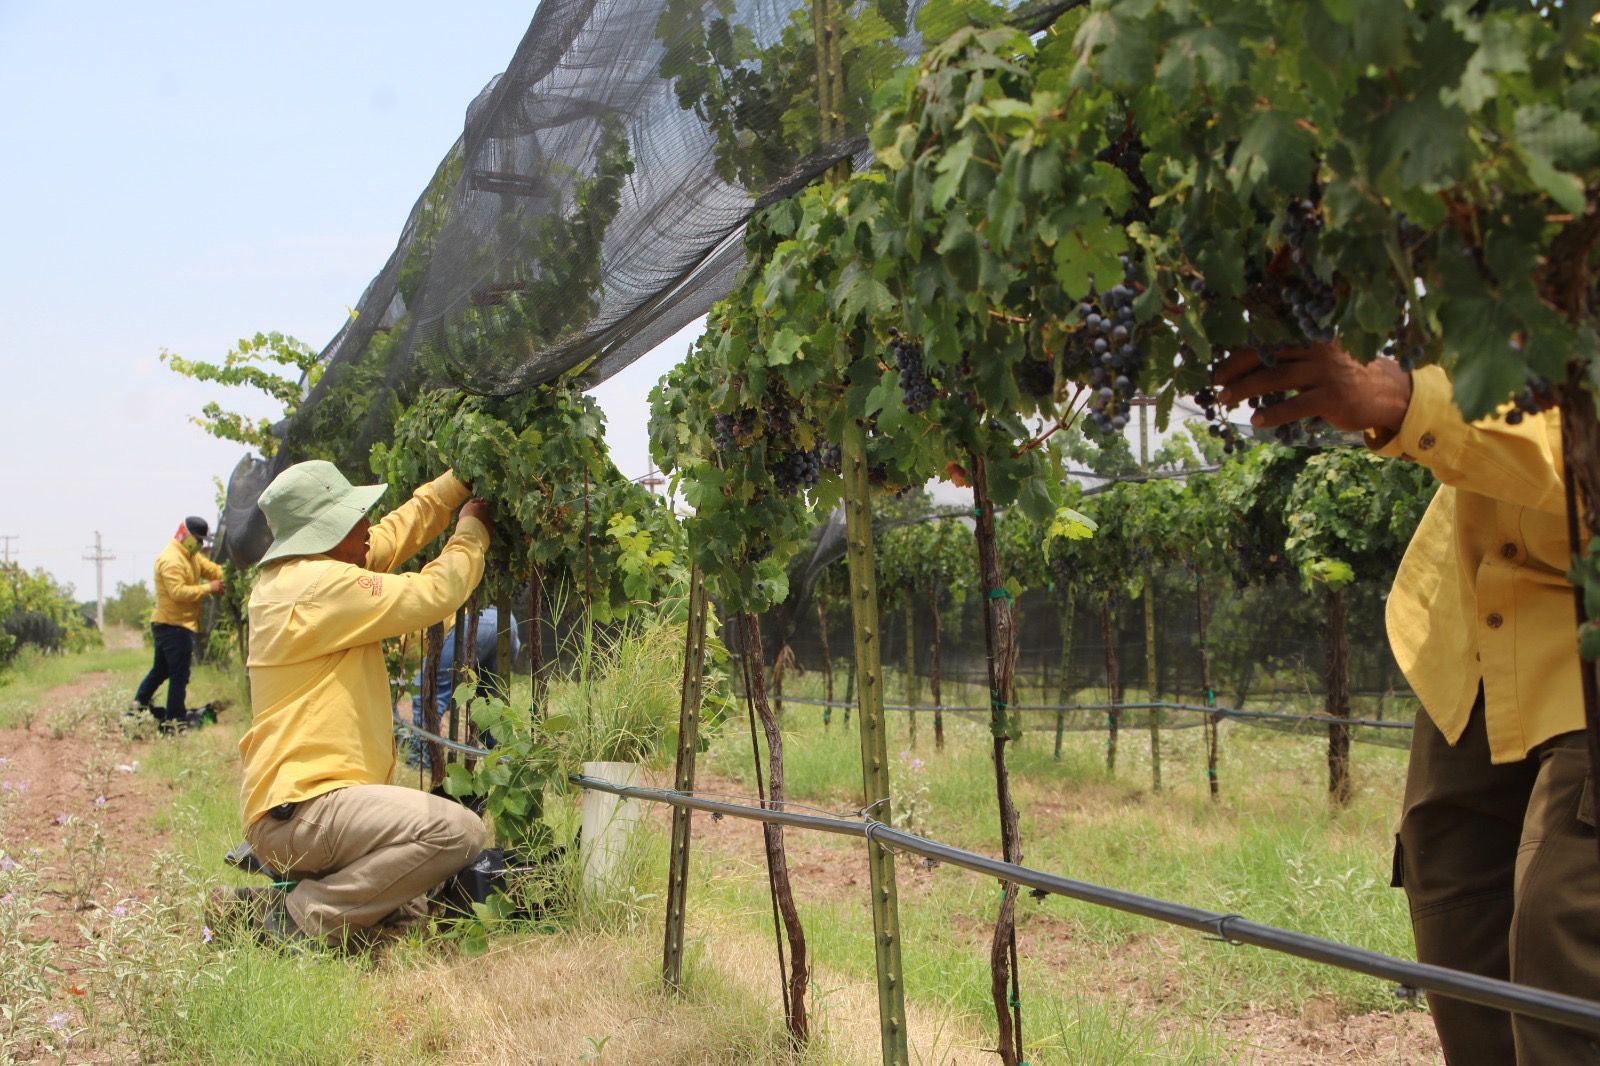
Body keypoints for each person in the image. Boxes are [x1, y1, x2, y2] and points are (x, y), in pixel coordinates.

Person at [1216, 343, 1591, 1064]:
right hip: (1472, 631)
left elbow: (1581, 445)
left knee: (1565, 932)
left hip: (1588, 640)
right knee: (1454, 912)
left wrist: (1409, 402)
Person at [215, 460, 492, 949]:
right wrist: (472, 529)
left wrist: (454, 485)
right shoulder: (319, 587)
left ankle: (273, 908)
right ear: (323, 532)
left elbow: (388, 537)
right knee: (457, 832)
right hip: (306, 811)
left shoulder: (297, 576)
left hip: (296, 809)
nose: (367, 525)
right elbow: (434, 593)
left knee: (406, 907)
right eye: (353, 517)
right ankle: (299, 918)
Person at [131, 516, 225, 732]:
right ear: (186, 535)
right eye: (198, 539)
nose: (200, 544)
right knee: (179, 675)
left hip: (177, 624)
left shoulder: (190, 555)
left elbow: (210, 569)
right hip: (172, 626)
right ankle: (174, 721)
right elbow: (178, 592)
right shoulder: (172, 559)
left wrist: (227, 574)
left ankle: (136, 708)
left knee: (160, 671)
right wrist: (208, 588)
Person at [407, 605, 519, 770]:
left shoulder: (388, 643)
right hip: (505, 619)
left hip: (470, 621)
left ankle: (419, 761)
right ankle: (505, 765)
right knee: (489, 707)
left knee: (428, 690)